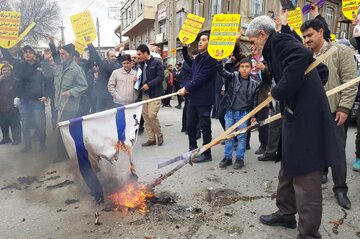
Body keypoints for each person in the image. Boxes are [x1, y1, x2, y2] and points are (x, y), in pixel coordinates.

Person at [246, 16, 341, 239]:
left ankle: (309, 234)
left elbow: (303, 55)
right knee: (288, 165)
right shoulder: (275, 48)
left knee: (306, 176)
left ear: (262, 34)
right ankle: (286, 213)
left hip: (305, 120)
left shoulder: (278, 41)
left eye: (253, 41)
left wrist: (279, 91)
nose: (253, 47)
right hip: (294, 115)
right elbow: (321, 71)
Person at [301, 19, 357, 210]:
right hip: (312, 112)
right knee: (316, 147)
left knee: (338, 152)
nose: (307, 40)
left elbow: (350, 82)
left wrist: (343, 108)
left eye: (310, 35)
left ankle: (340, 189)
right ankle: (322, 172)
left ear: (321, 31)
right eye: (304, 37)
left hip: (335, 111)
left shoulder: (340, 52)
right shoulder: (305, 55)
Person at [178, 33, 218, 163]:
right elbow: (189, 62)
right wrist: (184, 48)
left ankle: (207, 153)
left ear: (209, 43)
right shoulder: (199, 58)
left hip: (204, 98)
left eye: (204, 40)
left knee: (205, 126)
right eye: (200, 40)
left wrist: (186, 88)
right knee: (190, 125)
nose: (200, 42)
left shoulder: (211, 59)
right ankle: (193, 149)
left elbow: (200, 78)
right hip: (193, 97)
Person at [0, 45, 47, 152]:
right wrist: (2, 44)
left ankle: (43, 145)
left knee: (40, 124)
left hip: (37, 101)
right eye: (25, 52)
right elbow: (8, 56)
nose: (27, 54)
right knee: (25, 124)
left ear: (34, 55)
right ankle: (27, 146)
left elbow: (48, 82)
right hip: (24, 101)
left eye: (30, 52)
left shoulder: (41, 66)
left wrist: (46, 95)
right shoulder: (20, 65)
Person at [217, 58, 259, 169]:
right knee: (228, 136)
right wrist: (218, 62)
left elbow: (255, 102)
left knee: (242, 137)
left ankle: (240, 159)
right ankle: (228, 158)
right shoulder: (233, 77)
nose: (244, 69)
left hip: (244, 115)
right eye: (242, 66)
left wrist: (253, 116)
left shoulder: (255, 84)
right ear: (238, 68)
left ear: (251, 68)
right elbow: (222, 72)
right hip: (230, 113)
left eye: (247, 67)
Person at [53, 43, 88, 161]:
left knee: (65, 132)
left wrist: (71, 92)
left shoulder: (76, 69)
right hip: (60, 104)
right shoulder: (60, 67)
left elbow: (83, 86)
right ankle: (65, 154)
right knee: (62, 131)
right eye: (60, 53)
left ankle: (66, 155)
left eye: (63, 53)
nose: (61, 55)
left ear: (71, 54)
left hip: (70, 106)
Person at [136, 44, 164, 146]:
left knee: (152, 115)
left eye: (139, 54)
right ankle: (151, 138)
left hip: (155, 94)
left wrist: (149, 85)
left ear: (145, 53)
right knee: (146, 117)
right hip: (144, 94)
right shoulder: (141, 65)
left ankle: (159, 135)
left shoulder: (157, 63)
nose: (138, 56)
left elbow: (160, 77)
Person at [88, 44, 120, 112]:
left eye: (115, 56)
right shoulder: (102, 64)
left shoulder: (118, 66)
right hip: (101, 94)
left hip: (112, 95)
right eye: (112, 56)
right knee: (99, 114)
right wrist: (90, 45)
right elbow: (95, 55)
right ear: (107, 57)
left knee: (111, 114)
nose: (114, 58)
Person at [0, 64, 21, 145]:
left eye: (8, 70)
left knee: (14, 123)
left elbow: (19, 91)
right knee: (3, 123)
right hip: (1, 105)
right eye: (4, 70)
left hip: (12, 105)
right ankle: (6, 138)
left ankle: (17, 139)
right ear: (1, 71)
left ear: (11, 71)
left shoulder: (15, 80)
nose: (6, 71)